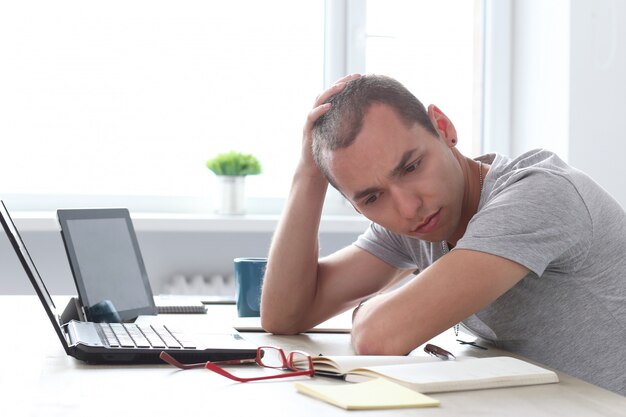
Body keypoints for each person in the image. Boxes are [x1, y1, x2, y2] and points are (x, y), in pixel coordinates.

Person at [260, 74, 626, 395]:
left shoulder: (539, 194)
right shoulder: (419, 223)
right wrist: (308, 174)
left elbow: (379, 337)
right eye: (372, 197)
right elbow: (284, 316)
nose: (407, 207)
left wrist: (366, 313)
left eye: (412, 166)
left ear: (444, 127)